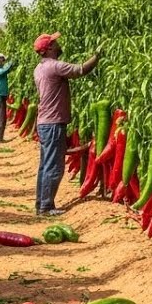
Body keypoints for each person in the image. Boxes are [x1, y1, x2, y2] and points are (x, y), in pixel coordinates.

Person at [32, 32, 101, 217]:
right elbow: (81, 70)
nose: (58, 44)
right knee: (54, 166)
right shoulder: (54, 66)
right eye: (55, 42)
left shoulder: (39, 68)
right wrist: (97, 56)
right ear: (49, 48)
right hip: (53, 123)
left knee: (45, 165)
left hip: (45, 122)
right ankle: (46, 207)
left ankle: (41, 204)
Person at [0, 52, 16, 143]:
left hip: (0, 97)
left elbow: (8, 70)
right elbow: (3, 71)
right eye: (0, 59)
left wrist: (14, 62)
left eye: (3, 59)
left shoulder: (1, 70)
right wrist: (10, 62)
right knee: (1, 118)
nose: (2, 61)